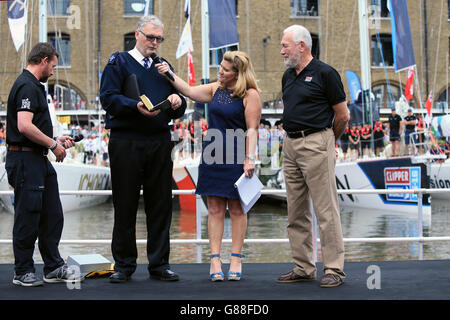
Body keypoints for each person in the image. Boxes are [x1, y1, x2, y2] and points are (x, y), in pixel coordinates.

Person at [156, 50, 261, 281]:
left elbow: (252, 129)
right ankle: (214, 259)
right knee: (214, 209)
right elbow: (190, 91)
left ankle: (235, 258)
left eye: (225, 70)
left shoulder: (250, 94)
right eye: (219, 68)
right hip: (213, 152)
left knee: (236, 209)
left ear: (238, 74)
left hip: (236, 153)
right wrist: (169, 74)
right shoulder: (215, 89)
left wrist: (250, 157)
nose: (220, 72)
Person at [99, 15, 186, 283]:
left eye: (159, 39)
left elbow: (181, 105)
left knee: (160, 203)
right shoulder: (119, 62)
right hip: (127, 140)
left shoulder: (164, 66)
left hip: (159, 140)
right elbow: (108, 98)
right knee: (124, 202)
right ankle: (124, 265)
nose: (155, 43)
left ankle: (159, 263)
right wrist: (133, 105)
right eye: (151, 37)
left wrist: (176, 101)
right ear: (137, 35)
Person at [278, 25, 348, 288]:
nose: (282, 50)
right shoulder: (288, 76)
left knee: (326, 209)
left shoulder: (326, 73)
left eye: (286, 45)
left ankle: (333, 268)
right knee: (295, 210)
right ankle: (303, 266)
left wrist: (328, 141)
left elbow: (342, 115)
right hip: (291, 144)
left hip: (317, 141)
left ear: (301, 46)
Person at [5, 43, 77, 287]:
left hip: (36, 158)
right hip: (26, 160)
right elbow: (24, 125)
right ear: (44, 61)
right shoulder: (27, 86)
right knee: (28, 215)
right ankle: (22, 270)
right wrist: (53, 145)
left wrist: (54, 141)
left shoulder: (33, 86)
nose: (54, 71)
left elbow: (29, 128)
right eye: (53, 66)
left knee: (52, 214)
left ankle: (53, 266)